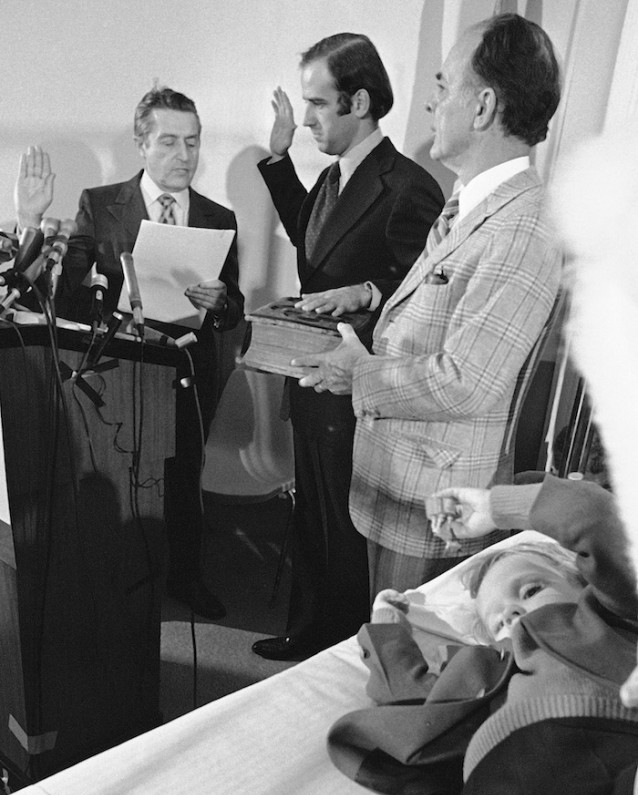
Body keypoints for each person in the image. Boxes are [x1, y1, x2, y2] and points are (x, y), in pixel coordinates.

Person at [293, 14, 563, 600]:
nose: (431, 104)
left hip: (435, 507)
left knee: (405, 649)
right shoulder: (472, 207)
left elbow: (466, 381)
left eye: (443, 86)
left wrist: (358, 372)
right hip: (402, 484)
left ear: (483, 107)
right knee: (381, 638)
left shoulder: (520, 230)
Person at [15, 88, 244, 620]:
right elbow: (66, 296)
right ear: (142, 144)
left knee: (183, 477)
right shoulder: (100, 205)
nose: (184, 155)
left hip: (189, 369)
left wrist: (221, 303)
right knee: (125, 476)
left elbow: (232, 309)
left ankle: (186, 577)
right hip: (119, 368)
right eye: (169, 142)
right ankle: (124, 583)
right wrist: (33, 224)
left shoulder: (219, 216)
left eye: (193, 142)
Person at [253, 33, 444, 660]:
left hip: (360, 390)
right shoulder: (336, 177)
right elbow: (311, 243)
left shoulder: (407, 186)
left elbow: (425, 293)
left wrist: (368, 290)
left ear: (358, 102)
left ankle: (337, 650)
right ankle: (312, 634)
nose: (307, 118)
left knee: (344, 529)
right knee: (314, 518)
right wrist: (279, 158)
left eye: (317, 104)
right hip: (314, 379)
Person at [328, 475, 638, 795]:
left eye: (531, 589)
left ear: (582, 582)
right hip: (500, 790)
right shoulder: (482, 668)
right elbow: (411, 697)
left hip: (614, 747)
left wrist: (495, 508)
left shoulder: (607, 614)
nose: (512, 614)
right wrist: (387, 626)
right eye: (497, 621)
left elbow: (596, 518)